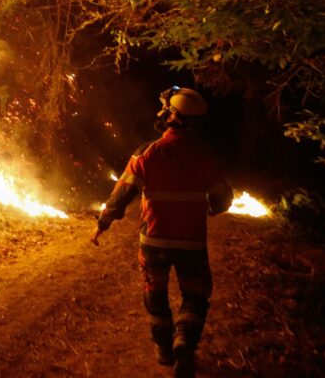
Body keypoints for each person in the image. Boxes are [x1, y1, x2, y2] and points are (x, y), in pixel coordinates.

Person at [89, 86, 233, 378]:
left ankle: (163, 348)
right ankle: (184, 341)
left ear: (173, 116)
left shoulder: (147, 152)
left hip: (153, 241)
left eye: (167, 111)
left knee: (155, 294)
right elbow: (222, 200)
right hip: (192, 243)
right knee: (195, 295)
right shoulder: (205, 155)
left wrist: (102, 224)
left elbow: (121, 195)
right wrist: (210, 210)